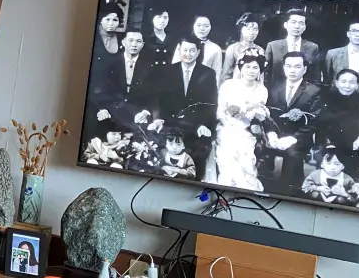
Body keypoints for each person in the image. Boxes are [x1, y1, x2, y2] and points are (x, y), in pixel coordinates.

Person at [149, 36, 218, 177]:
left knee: (200, 148)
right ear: (179, 50)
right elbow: (158, 99)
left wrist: (203, 124)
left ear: (198, 52)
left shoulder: (208, 73)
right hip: (170, 121)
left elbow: (210, 104)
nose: (188, 54)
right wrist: (158, 118)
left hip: (196, 123)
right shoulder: (167, 71)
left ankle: (192, 182)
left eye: (192, 50)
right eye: (185, 50)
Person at [262, 51, 323, 189]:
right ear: (283, 68)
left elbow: (314, 121)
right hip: (274, 134)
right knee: (260, 148)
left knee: (293, 154)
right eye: (288, 66)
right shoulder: (273, 87)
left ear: (305, 69)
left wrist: (291, 139)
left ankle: (289, 192)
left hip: (298, 138)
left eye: (297, 66)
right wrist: (271, 134)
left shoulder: (313, 91)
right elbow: (267, 114)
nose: (292, 70)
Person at [214, 48, 270, 191]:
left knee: (244, 150)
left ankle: (244, 188)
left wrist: (254, 115)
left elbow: (259, 117)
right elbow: (220, 111)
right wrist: (229, 124)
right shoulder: (228, 85)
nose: (251, 71)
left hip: (248, 130)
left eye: (255, 68)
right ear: (241, 67)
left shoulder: (262, 90)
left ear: (260, 70)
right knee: (230, 148)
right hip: (227, 127)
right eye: (248, 67)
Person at [91, 29, 154, 132]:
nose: (134, 44)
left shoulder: (149, 66)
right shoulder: (110, 64)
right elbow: (99, 91)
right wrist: (102, 109)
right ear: (123, 42)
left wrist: (146, 111)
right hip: (112, 111)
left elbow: (154, 94)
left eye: (138, 41)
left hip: (137, 114)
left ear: (142, 45)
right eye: (130, 40)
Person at [315, 68, 359, 160]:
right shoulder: (326, 97)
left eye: (352, 82)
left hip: (354, 143)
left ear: (357, 85)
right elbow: (320, 123)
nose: (347, 86)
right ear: (336, 83)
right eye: (343, 82)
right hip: (328, 142)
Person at [322, 20, 359, 93]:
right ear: (348, 34)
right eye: (354, 31)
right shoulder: (333, 54)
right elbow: (327, 80)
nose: (357, 34)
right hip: (335, 99)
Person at [265, 9, 321, 84]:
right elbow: (266, 74)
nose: (297, 26)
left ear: (304, 27)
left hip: (303, 93)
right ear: (285, 25)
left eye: (301, 23)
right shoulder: (273, 46)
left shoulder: (313, 47)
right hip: (277, 91)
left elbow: (315, 76)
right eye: (293, 22)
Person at [220, 13, 264, 82]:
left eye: (255, 29)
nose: (252, 32)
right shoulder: (233, 48)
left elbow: (261, 75)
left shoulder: (260, 50)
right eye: (248, 29)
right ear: (241, 30)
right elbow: (226, 74)